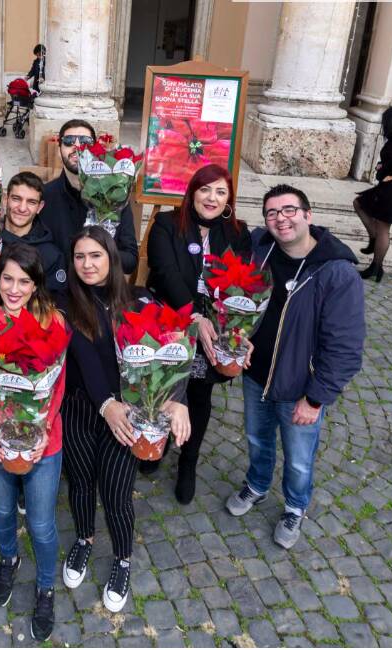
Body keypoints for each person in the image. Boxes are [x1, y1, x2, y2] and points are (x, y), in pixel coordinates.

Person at [226, 184, 365, 550]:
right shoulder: (261, 250)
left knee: (300, 458)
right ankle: (257, 484)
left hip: (300, 387)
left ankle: (295, 506)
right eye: (272, 213)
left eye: (289, 210)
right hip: (256, 375)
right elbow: (237, 298)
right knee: (257, 438)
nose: (280, 219)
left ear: (308, 215)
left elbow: (346, 348)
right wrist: (237, 335)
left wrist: (316, 398)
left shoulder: (336, 272)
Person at [59, 226, 189, 613]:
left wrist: (175, 402)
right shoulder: (64, 305)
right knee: (81, 483)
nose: (87, 264)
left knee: (116, 494)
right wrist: (105, 405)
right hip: (82, 410)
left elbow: (172, 352)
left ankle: (122, 559)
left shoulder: (141, 298)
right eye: (79, 257)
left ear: (111, 258)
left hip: (132, 414)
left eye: (95, 255)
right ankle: (83, 540)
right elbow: (82, 355)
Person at [0, 243, 67, 642]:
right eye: (7, 278)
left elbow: (57, 384)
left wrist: (40, 429)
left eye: (23, 281)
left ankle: (45, 586)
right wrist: (1, 430)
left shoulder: (54, 321)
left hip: (45, 442)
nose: (13, 288)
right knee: (3, 509)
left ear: (35, 284)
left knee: (42, 524)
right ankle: (8, 558)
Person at [145, 164, 252, 502]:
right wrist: (191, 313)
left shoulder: (237, 232)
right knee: (163, 386)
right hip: (171, 317)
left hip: (215, 325)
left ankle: (188, 460)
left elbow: (241, 283)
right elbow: (165, 271)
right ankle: (157, 442)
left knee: (199, 395)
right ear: (192, 192)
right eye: (206, 189)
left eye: (221, 192)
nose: (212, 198)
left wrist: (230, 325)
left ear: (229, 199)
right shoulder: (166, 224)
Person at [40, 119, 138, 274]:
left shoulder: (116, 195)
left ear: (95, 150)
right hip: (59, 290)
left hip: (103, 293)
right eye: (68, 141)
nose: (77, 146)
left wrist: (102, 256)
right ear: (59, 151)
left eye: (85, 141)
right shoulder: (44, 196)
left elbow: (131, 261)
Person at [354, 105, 392, 283]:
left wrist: (381, 168)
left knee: (383, 229)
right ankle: (374, 244)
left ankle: (376, 267)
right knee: (360, 203)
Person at [0, 171, 67, 294]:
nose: (22, 208)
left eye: (31, 202)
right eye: (16, 199)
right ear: (5, 200)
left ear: (40, 207)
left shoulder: (50, 255)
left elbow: (53, 305)